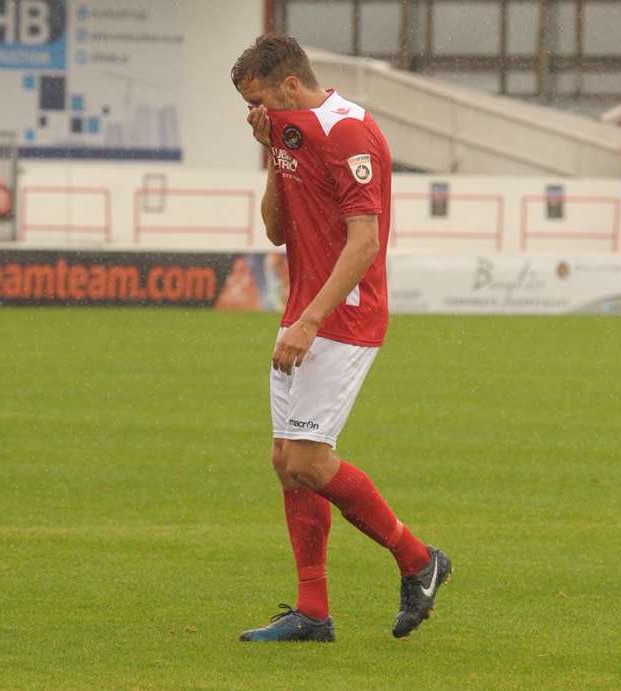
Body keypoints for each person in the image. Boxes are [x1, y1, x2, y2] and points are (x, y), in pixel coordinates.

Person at [231, 34, 451, 643]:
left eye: (261, 103)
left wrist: (308, 322)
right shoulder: (290, 133)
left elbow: (364, 243)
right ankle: (313, 612)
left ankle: (418, 559)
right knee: (287, 462)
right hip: (305, 312)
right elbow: (277, 231)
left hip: (343, 316)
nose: (256, 114)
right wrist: (270, 150)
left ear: (291, 87)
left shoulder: (349, 132)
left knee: (307, 458)